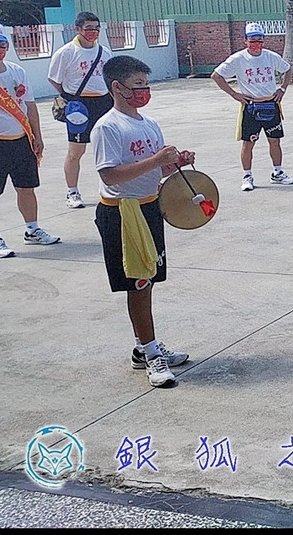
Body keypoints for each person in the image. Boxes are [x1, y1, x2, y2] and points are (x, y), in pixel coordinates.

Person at [90, 54, 196, 387]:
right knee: (138, 283)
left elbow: (154, 171)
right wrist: (155, 161)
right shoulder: (108, 127)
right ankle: (151, 353)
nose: (143, 91)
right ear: (117, 87)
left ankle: (143, 347)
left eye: (146, 84)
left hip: (150, 207)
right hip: (123, 213)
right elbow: (110, 175)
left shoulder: (149, 124)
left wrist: (174, 163)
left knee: (148, 280)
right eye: (137, 85)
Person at [0, 22, 61, 258]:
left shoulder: (17, 71)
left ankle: (32, 230)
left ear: (7, 46)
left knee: (26, 188)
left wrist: (37, 137)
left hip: (21, 140)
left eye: (0, 45)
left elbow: (30, 106)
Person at [210, 22, 293, 192]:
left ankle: (278, 172)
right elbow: (216, 75)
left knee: (275, 141)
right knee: (248, 142)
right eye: (253, 41)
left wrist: (282, 89)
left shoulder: (270, 56)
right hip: (251, 106)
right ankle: (247, 175)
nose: (257, 45)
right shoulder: (238, 59)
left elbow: (288, 69)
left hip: (271, 104)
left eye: (260, 41)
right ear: (245, 41)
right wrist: (234, 94)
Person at [47, 10, 113, 209]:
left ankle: (111, 187)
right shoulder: (66, 53)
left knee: (108, 148)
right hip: (79, 105)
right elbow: (54, 79)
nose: (93, 32)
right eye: (88, 28)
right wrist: (70, 97)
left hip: (104, 102)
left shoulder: (104, 52)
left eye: (96, 28)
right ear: (78, 29)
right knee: (76, 151)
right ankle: (72, 192)